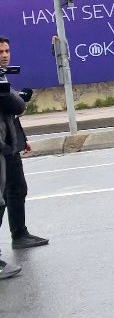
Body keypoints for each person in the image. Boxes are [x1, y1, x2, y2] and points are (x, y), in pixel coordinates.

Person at [0, 37, 47, 253]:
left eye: (7, 50)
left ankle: (20, 233)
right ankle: (19, 235)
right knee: (12, 191)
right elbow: (16, 106)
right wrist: (21, 99)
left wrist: (22, 139)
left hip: (9, 141)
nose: (4, 55)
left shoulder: (3, 78)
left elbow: (10, 115)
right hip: (3, 146)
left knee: (14, 189)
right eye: (0, 51)